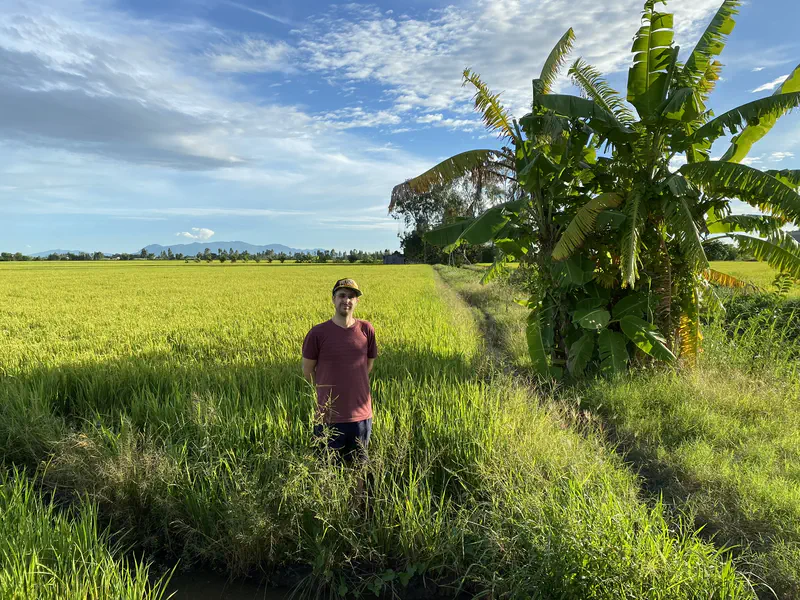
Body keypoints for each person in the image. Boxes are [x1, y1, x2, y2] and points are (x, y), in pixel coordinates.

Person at [302, 278, 377, 464]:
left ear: (357, 301)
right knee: (327, 469)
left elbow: (368, 365)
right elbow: (308, 372)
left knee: (359, 466)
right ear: (333, 299)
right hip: (327, 416)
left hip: (360, 415)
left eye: (351, 296)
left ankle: (358, 496)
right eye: (342, 295)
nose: (347, 300)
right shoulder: (317, 333)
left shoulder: (366, 329)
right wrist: (326, 393)